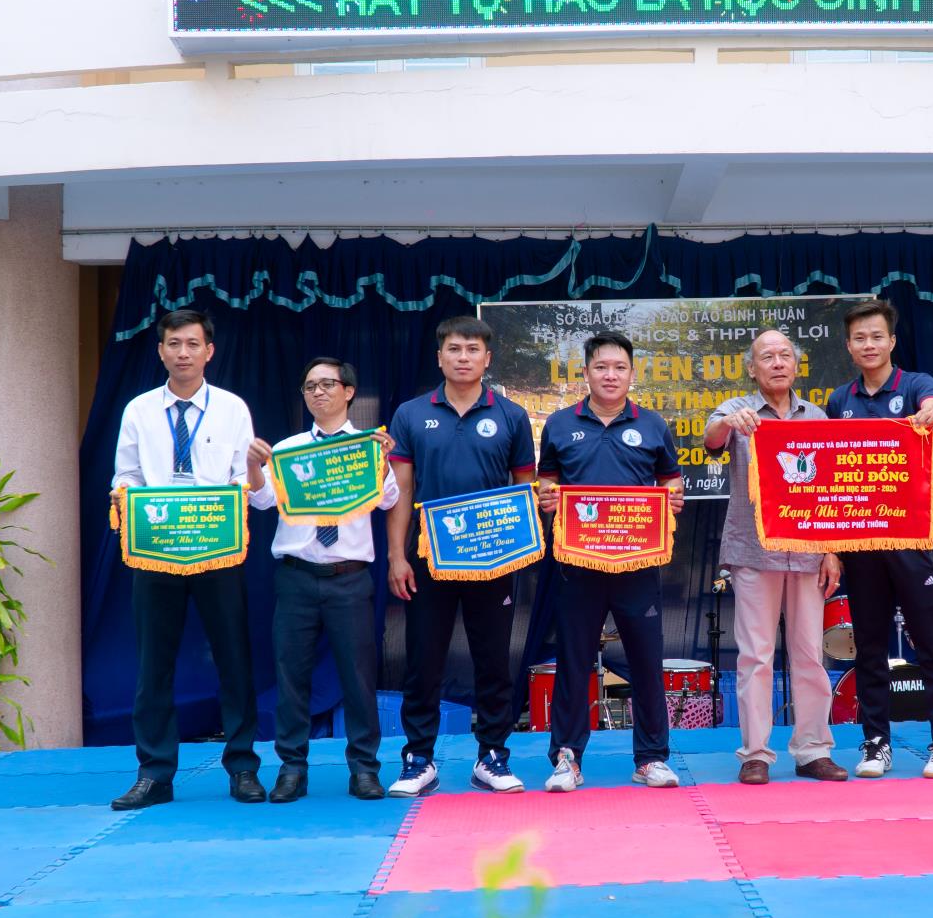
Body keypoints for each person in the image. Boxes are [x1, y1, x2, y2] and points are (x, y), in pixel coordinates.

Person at [108, 308, 263, 810]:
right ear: (160, 351)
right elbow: (127, 474)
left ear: (208, 351)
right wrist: (121, 494)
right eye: (174, 344)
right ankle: (154, 773)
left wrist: (232, 494)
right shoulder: (138, 410)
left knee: (233, 659)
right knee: (154, 664)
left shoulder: (232, 408)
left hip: (217, 545)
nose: (183, 353)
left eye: (193, 344)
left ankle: (243, 767)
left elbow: (243, 479)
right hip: (157, 548)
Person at [385, 317, 538, 796]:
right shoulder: (411, 414)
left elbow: (525, 489)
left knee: (493, 660)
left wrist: (519, 546)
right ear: (440, 357)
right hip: (428, 558)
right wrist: (396, 556)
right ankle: (418, 759)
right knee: (423, 659)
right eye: (454, 349)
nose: (463, 357)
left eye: (473, 349)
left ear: (487, 359)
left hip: (493, 557)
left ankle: (493, 756)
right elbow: (401, 490)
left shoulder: (511, 415)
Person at [535, 331, 687, 792]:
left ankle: (651, 758)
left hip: (637, 564)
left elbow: (672, 482)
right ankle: (567, 758)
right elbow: (547, 483)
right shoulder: (560, 424)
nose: (610, 375)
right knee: (573, 660)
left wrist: (671, 499)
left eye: (619, 367)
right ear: (586, 372)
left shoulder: (653, 424)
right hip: (577, 565)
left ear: (632, 374)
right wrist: (548, 498)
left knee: (646, 660)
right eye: (601, 367)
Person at [246, 358, 400, 803]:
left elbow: (389, 498)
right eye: (310, 386)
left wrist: (382, 463)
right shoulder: (289, 449)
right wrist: (254, 465)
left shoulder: (367, 446)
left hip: (349, 577)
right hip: (296, 575)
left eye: (327, 384)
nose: (318, 392)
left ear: (348, 392)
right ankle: (292, 769)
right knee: (291, 675)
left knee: (358, 677)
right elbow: (261, 500)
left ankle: (364, 769)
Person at [703, 329, 849, 785]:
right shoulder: (736, 410)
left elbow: (831, 486)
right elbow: (711, 438)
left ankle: (813, 750)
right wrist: (731, 423)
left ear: (796, 365)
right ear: (753, 368)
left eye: (785, 355)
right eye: (768, 357)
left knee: (810, 655)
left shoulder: (816, 416)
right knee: (755, 656)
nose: (778, 363)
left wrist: (831, 550)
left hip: (808, 551)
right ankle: (755, 755)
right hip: (754, 550)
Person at [825, 299, 933, 780]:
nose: (869, 345)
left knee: (932, 642)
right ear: (849, 346)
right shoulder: (839, 401)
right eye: (860, 338)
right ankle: (875, 743)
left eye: (877, 336)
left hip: (910, 539)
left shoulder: (917, 384)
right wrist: (832, 548)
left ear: (892, 341)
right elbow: (830, 475)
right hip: (861, 545)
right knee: (869, 647)